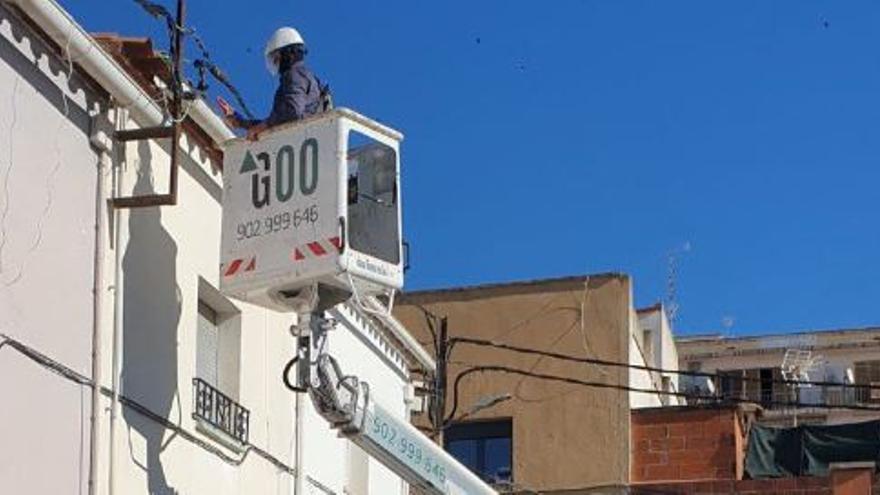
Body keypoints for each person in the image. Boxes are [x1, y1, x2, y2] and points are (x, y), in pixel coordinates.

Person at [221, 27, 329, 140]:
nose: (276, 64)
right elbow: (280, 122)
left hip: (299, 142)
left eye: (276, 59)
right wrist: (241, 123)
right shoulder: (307, 77)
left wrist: (263, 126)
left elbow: (292, 112)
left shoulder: (294, 74)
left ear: (287, 54)